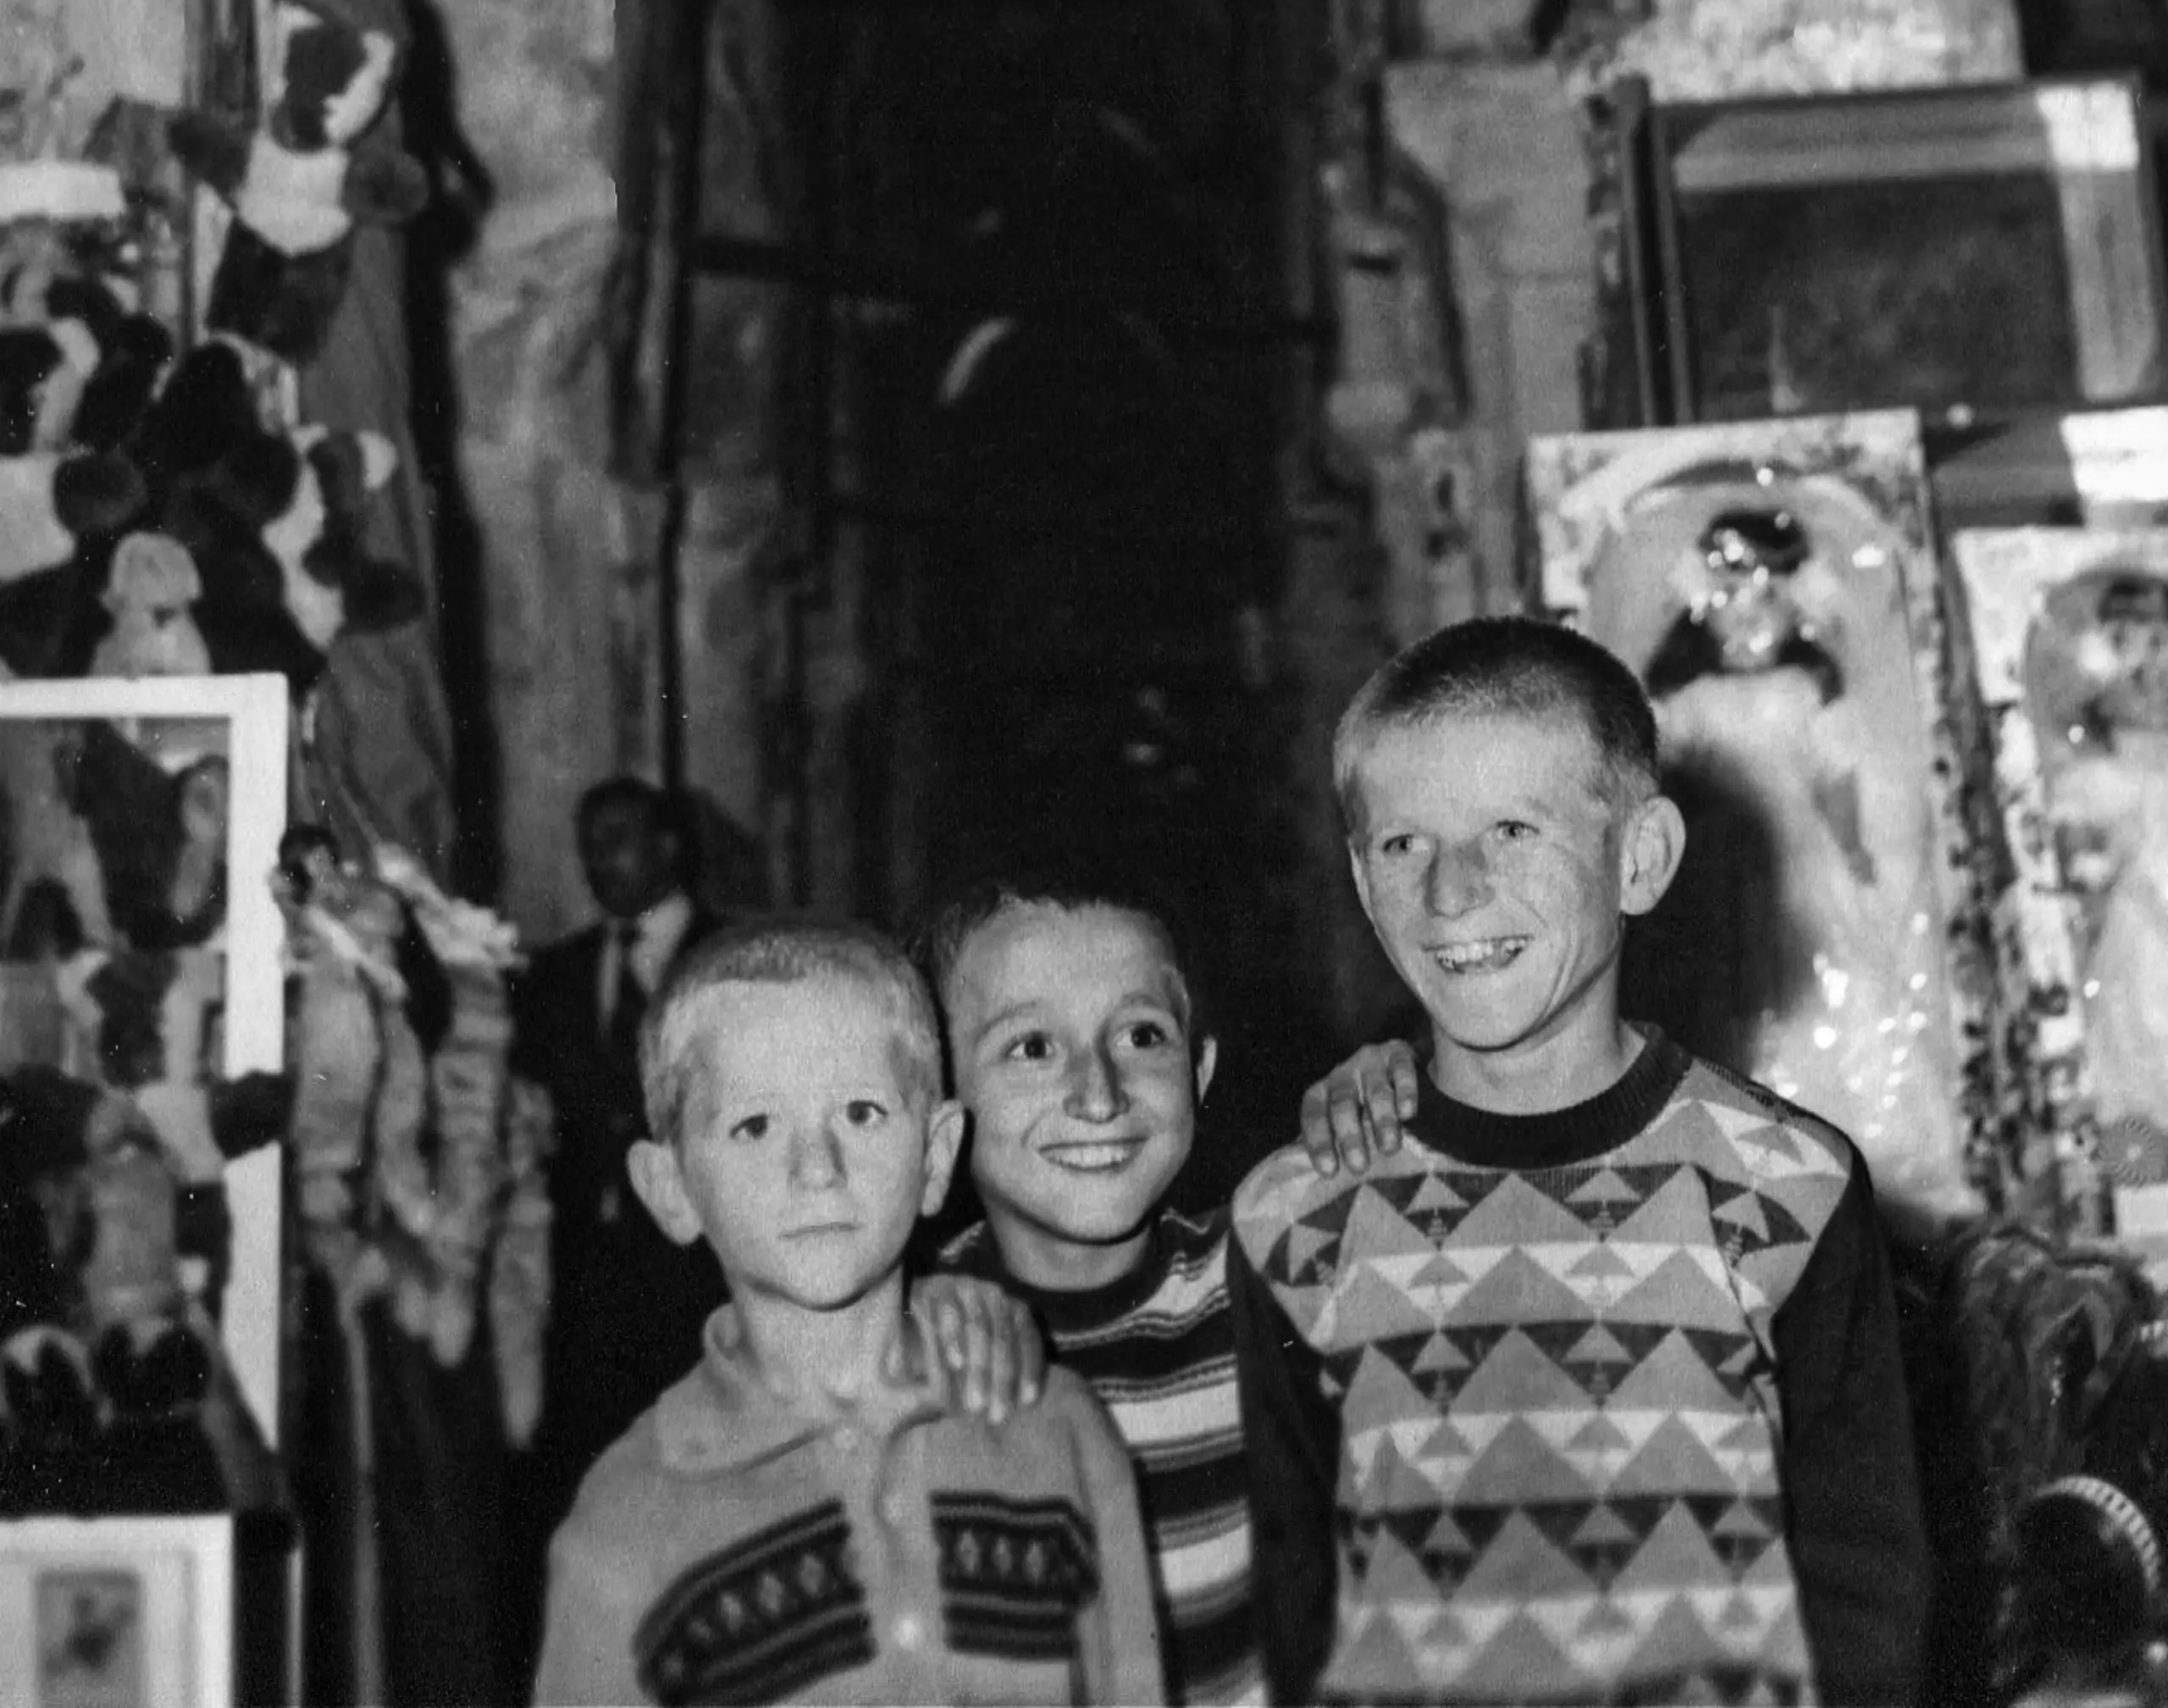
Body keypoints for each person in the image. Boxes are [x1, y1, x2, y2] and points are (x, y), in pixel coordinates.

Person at [1230, 614, 1932, 1705]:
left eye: (1512, 828)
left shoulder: (1790, 1184)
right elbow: (1290, 1604)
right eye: (1403, 843)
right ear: (1363, 883)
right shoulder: (1291, 1216)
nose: (1452, 890)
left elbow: (1867, 1595)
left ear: (1639, 858)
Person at [531, 918, 1165, 1706]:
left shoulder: (1061, 1434)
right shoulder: (622, 1524)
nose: (817, 1169)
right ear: (671, 1189)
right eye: (755, 1125)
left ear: (934, 1158)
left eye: (861, 1113)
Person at [928, 882, 1276, 1702]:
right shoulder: (918, 1336)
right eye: (1032, 1047)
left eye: (1141, 1035)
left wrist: (1380, 1083)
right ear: (940, 1108)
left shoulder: (1259, 1280)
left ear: (1200, 1068)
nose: (1098, 1093)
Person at [512, 777, 727, 1540]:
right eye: (587, 845)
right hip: (582, 1300)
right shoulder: (551, 977)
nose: (598, 860)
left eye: (618, 838)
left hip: (698, 1285)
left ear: (668, 844)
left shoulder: (734, 958)